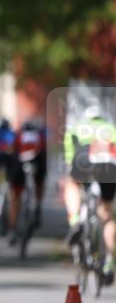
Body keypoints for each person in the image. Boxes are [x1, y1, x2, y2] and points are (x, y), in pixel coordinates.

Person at [63, 105, 116, 280]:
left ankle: (75, 221)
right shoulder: (111, 128)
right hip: (109, 164)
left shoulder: (76, 127)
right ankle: (109, 260)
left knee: (72, 184)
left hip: (85, 157)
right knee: (107, 213)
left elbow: (70, 158)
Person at [6, 119, 46, 241]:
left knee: (15, 196)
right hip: (38, 162)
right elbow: (43, 155)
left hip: (19, 164)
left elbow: (12, 152)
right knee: (40, 183)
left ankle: (12, 229)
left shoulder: (18, 135)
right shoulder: (40, 136)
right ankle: (38, 206)